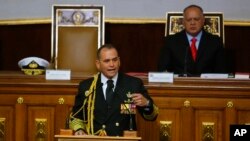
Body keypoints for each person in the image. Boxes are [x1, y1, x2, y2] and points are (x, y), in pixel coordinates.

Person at [69, 44, 158, 136]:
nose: (112, 64)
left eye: (115, 60)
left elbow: (151, 116)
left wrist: (147, 103)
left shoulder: (133, 84)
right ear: (98, 64)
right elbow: (76, 117)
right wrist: (79, 129)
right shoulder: (87, 86)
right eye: (107, 61)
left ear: (119, 61)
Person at [158, 4, 228, 76]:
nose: (192, 23)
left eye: (196, 19)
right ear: (183, 22)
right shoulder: (171, 41)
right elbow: (162, 70)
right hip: (179, 85)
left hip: (207, 85)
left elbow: (222, 72)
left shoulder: (215, 42)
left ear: (203, 20)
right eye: (189, 20)